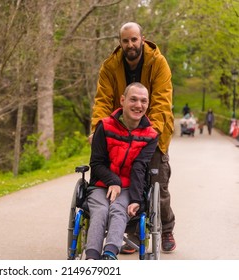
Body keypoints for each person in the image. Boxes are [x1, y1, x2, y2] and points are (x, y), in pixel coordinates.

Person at [89, 22, 176, 253]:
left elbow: (161, 103)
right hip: (118, 128)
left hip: (151, 130)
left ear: (142, 39)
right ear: (120, 42)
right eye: (126, 40)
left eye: (134, 40)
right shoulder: (109, 66)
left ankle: (166, 227)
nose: (130, 45)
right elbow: (102, 101)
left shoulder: (158, 63)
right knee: (119, 173)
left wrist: (149, 134)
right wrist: (98, 129)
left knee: (157, 181)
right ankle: (130, 231)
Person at [86, 82, 158, 260]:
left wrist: (136, 200)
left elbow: (139, 168)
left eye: (143, 101)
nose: (138, 105)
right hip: (100, 185)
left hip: (128, 187)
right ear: (123, 100)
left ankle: (110, 254)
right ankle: (92, 257)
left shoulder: (151, 136)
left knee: (119, 209)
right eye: (133, 99)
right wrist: (113, 181)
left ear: (148, 104)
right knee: (101, 210)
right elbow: (96, 162)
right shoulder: (104, 126)